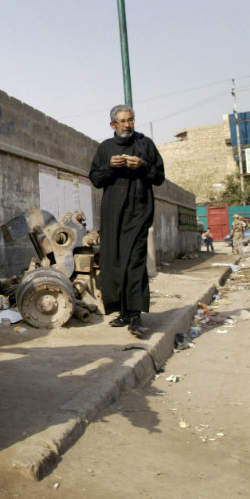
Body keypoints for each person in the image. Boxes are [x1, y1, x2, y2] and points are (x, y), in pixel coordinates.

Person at [88, 105, 165, 338]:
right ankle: (121, 311)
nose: (128, 125)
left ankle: (135, 316)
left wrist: (143, 166)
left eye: (130, 120)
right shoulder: (105, 148)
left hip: (139, 213)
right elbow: (96, 179)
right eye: (123, 121)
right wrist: (111, 166)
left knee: (134, 262)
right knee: (114, 263)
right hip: (113, 216)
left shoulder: (146, 145)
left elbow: (159, 177)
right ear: (113, 125)